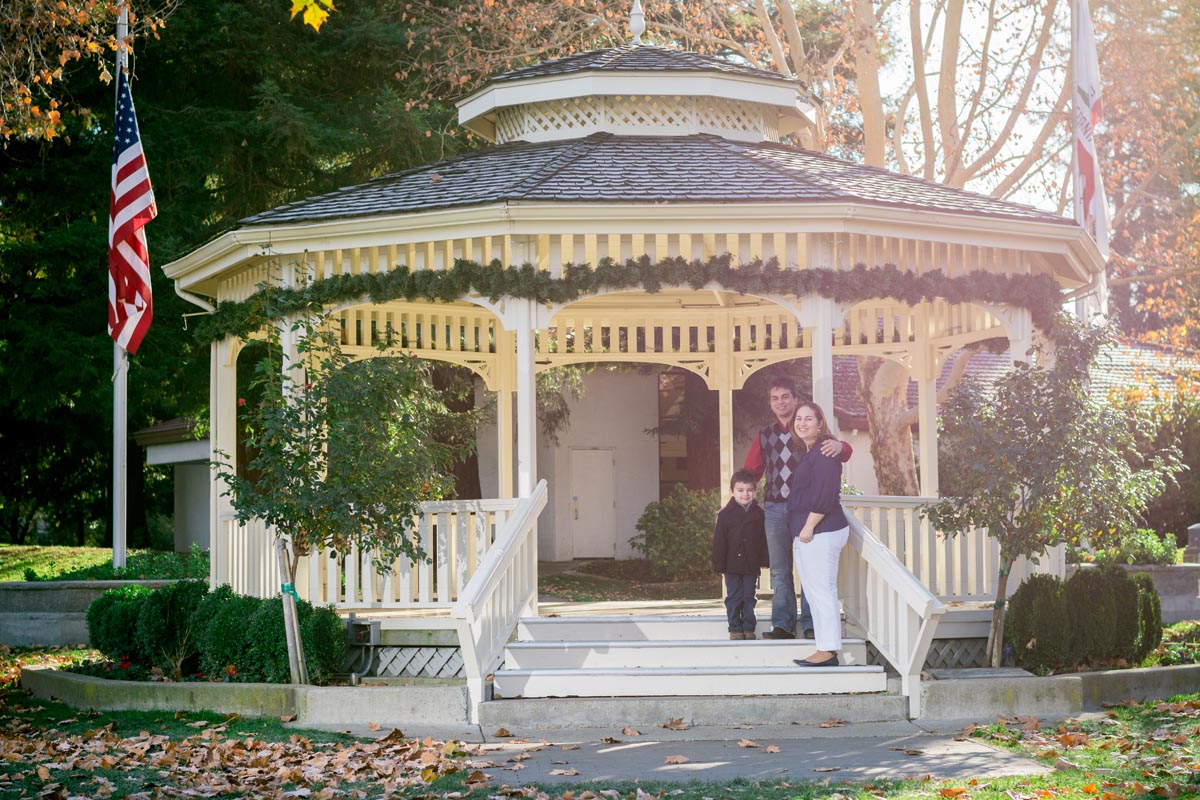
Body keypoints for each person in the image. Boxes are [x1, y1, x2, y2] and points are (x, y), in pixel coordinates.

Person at [742, 377, 851, 640]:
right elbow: (750, 470)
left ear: (795, 399)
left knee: (809, 569)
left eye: (785, 397)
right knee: (780, 570)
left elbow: (840, 451)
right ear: (771, 403)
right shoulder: (765, 435)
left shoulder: (807, 429)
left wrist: (841, 445)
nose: (780, 403)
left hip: (807, 511)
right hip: (776, 508)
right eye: (775, 398)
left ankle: (813, 625)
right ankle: (783, 625)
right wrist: (738, 499)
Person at [786, 401, 850, 666]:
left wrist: (809, 527)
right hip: (810, 533)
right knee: (814, 593)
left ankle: (829, 651)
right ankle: (824, 648)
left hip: (820, 531)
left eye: (808, 419)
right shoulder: (812, 451)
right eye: (798, 418)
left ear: (820, 423)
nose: (802, 423)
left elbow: (825, 496)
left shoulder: (825, 451)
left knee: (822, 592)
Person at [712, 469, 770, 640]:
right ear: (732, 491)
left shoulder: (759, 515)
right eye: (740, 490)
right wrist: (718, 563)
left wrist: (765, 559)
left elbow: (763, 539)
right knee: (734, 596)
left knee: (748, 596)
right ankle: (735, 627)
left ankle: (749, 627)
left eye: (749, 490)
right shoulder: (725, 515)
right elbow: (719, 541)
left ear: (755, 491)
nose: (745, 494)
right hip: (731, 565)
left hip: (751, 564)